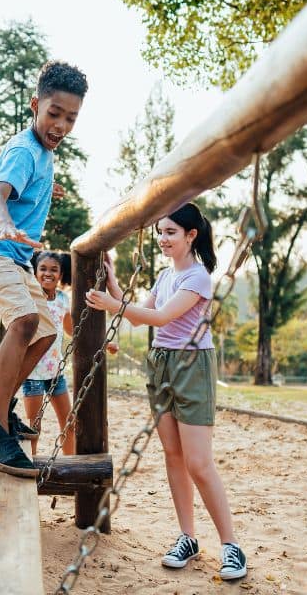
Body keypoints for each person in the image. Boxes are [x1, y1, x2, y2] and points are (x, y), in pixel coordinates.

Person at [85, 202, 247, 581]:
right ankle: (187, 537)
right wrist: (113, 283)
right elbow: (138, 314)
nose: (163, 239)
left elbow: (159, 317)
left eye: (170, 232)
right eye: (160, 232)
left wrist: (112, 304)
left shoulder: (198, 277)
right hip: (161, 363)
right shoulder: (164, 276)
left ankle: (231, 545)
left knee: (198, 463)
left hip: (192, 366)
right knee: (173, 456)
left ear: (191, 235)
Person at [0, 60, 89, 478]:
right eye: (54, 113)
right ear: (36, 105)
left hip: (15, 258)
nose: (61, 125)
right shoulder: (23, 150)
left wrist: (45, 188)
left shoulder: (42, 155)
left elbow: (25, 183)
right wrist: (2, 221)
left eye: (71, 118)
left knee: (46, 331)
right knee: (24, 321)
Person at [23, 250, 117, 455]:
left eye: (54, 270)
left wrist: (103, 342)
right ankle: (31, 464)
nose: (48, 273)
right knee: (34, 427)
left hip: (56, 373)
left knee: (69, 423)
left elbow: (73, 330)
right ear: (35, 272)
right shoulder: (31, 297)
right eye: (43, 269)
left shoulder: (63, 299)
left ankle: (69, 464)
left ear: (61, 274)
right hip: (32, 373)